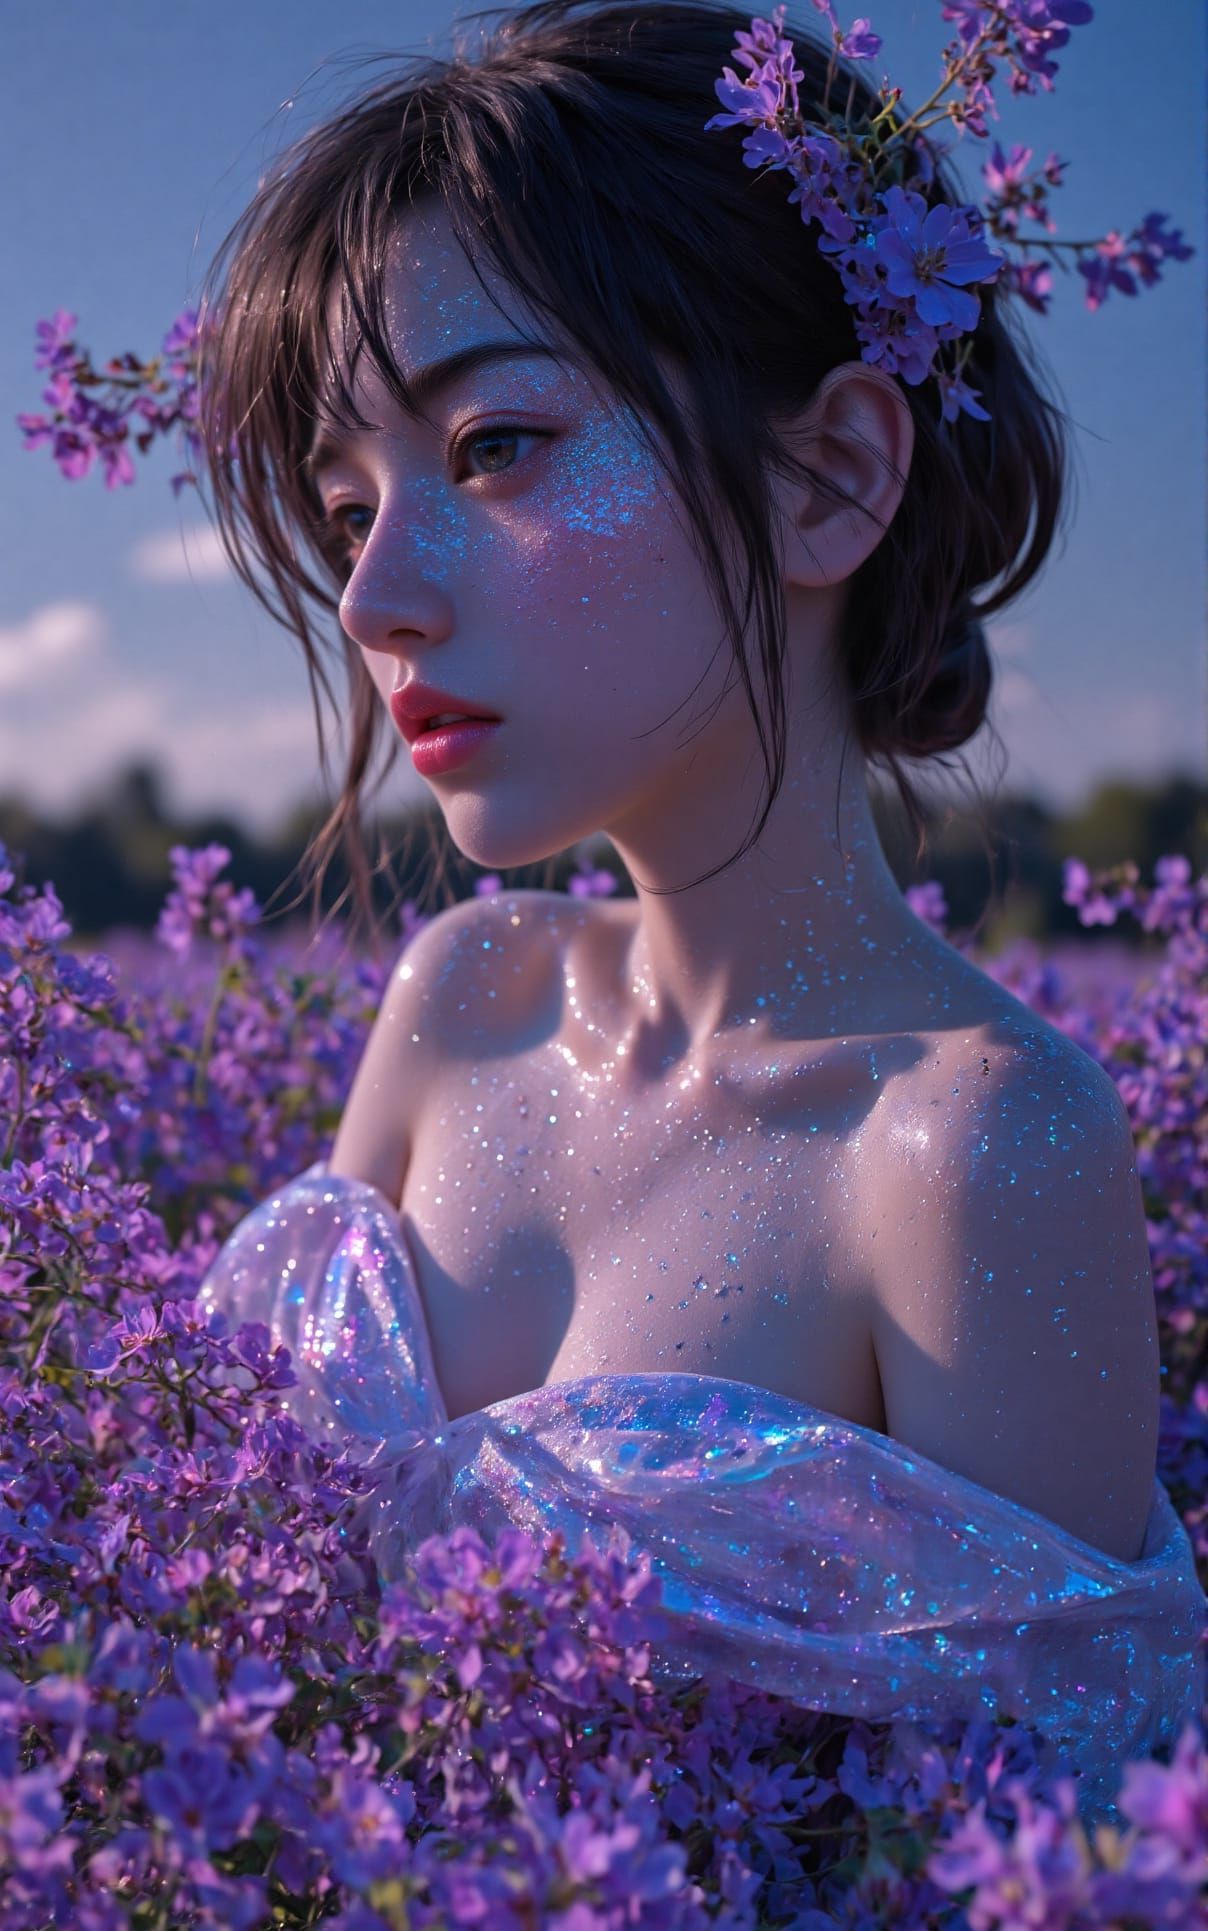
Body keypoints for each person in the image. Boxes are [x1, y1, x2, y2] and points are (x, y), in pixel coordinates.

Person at [196, 0, 1205, 1819]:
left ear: (832, 476)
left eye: (493, 446)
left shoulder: (972, 1151)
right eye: (346, 507)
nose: (372, 596)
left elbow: (1030, 1890)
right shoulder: (463, 996)